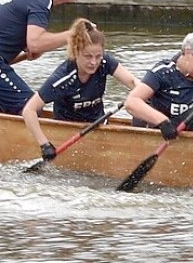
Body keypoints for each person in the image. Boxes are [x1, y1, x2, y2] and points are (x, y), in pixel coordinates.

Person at [23, 19, 138, 160]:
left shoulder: (105, 63)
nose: (93, 62)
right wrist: (44, 145)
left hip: (99, 125)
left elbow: (133, 82)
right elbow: (29, 110)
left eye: (98, 56)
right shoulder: (63, 79)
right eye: (88, 56)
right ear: (76, 52)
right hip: (68, 131)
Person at [125, 29, 193, 133]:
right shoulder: (163, 73)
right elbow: (132, 102)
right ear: (187, 52)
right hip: (165, 129)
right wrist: (162, 121)